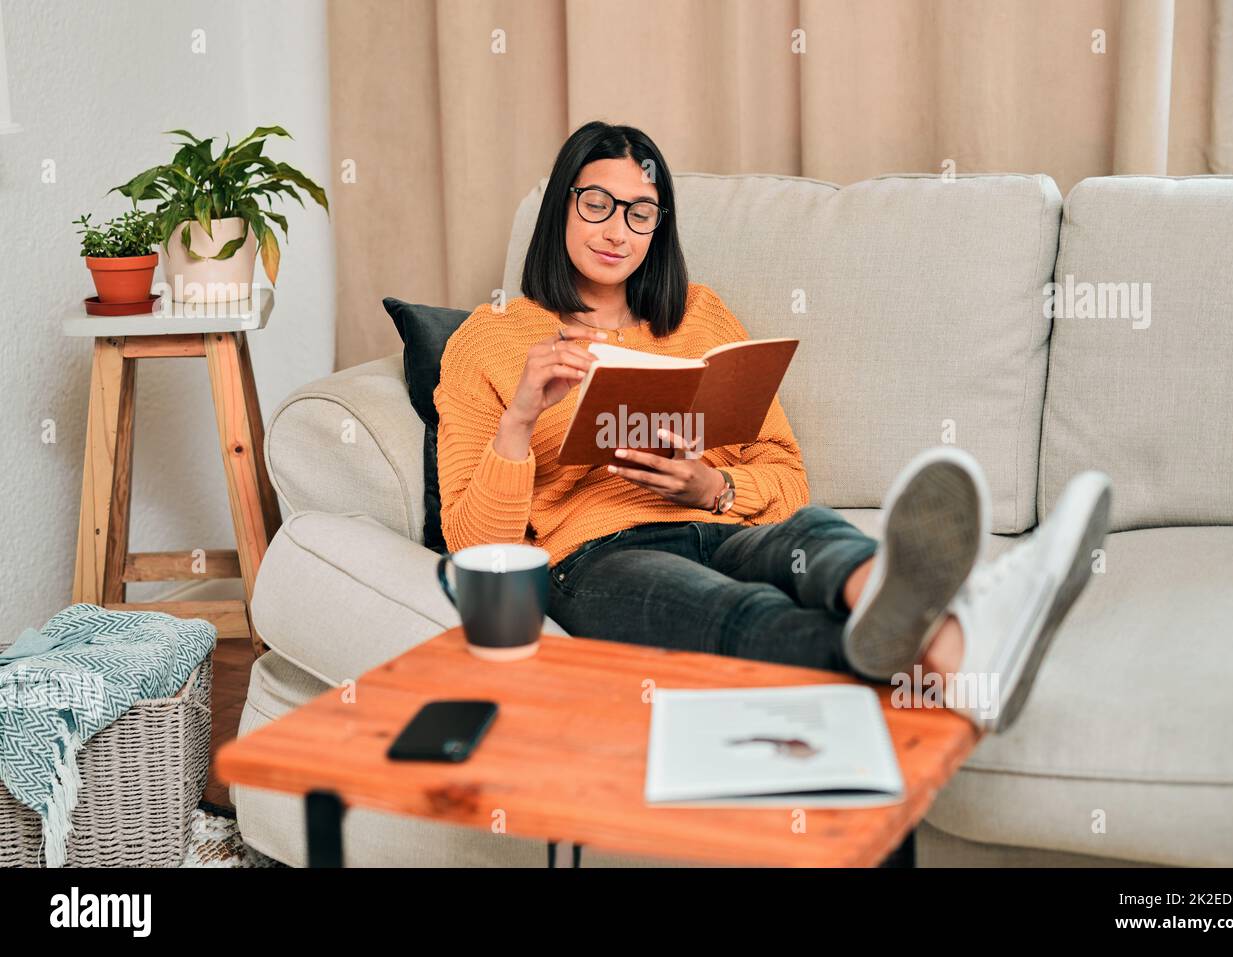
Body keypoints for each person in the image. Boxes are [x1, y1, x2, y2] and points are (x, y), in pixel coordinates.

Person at [433, 121, 1111, 732]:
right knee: (732, 609)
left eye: (640, 213)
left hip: (724, 528)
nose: (617, 231)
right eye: (598, 205)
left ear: (658, 227)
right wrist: (521, 416)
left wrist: (714, 487)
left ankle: (951, 633)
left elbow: (789, 478)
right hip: (601, 557)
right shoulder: (487, 341)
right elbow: (474, 546)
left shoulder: (699, 315)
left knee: (812, 535)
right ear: (561, 207)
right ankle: (964, 645)